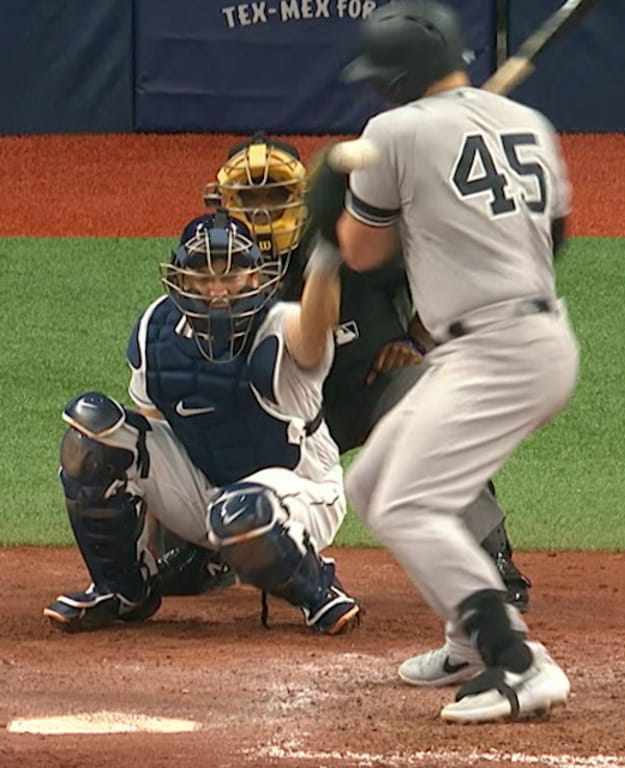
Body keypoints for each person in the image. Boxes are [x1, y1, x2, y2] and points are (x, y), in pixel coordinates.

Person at [319, 0, 578, 724]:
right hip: (518, 337)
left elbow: (363, 253)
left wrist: (332, 209)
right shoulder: (530, 125)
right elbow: (551, 239)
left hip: (500, 351)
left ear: (396, 80)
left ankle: (519, 662)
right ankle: (469, 638)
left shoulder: (391, 133)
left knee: (410, 502)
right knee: (374, 482)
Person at [170, 133, 535, 611]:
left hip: (361, 393)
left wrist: (416, 341)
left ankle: (488, 554)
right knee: (192, 401)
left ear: (301, 199)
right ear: (222, 203)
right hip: (270, 420)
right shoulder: (214, 265)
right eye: (249, 198)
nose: (260, 213)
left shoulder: (354, 243)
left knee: (429, 397)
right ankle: (202, 548)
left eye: (274, 196)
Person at [44, 211, 362, 636]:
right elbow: (159, 442)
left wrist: (324, 261)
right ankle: (122, 589)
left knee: (240, 511)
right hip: (207, 498)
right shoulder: (154, 335)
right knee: (92, 436)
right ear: (182, 278)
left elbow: (314, 329)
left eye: (230, 274)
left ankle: (319, 589)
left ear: (255, 278)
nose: (217, 291)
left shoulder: (283, 330)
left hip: (300, 496)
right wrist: (171, 545)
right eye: (203, 275)